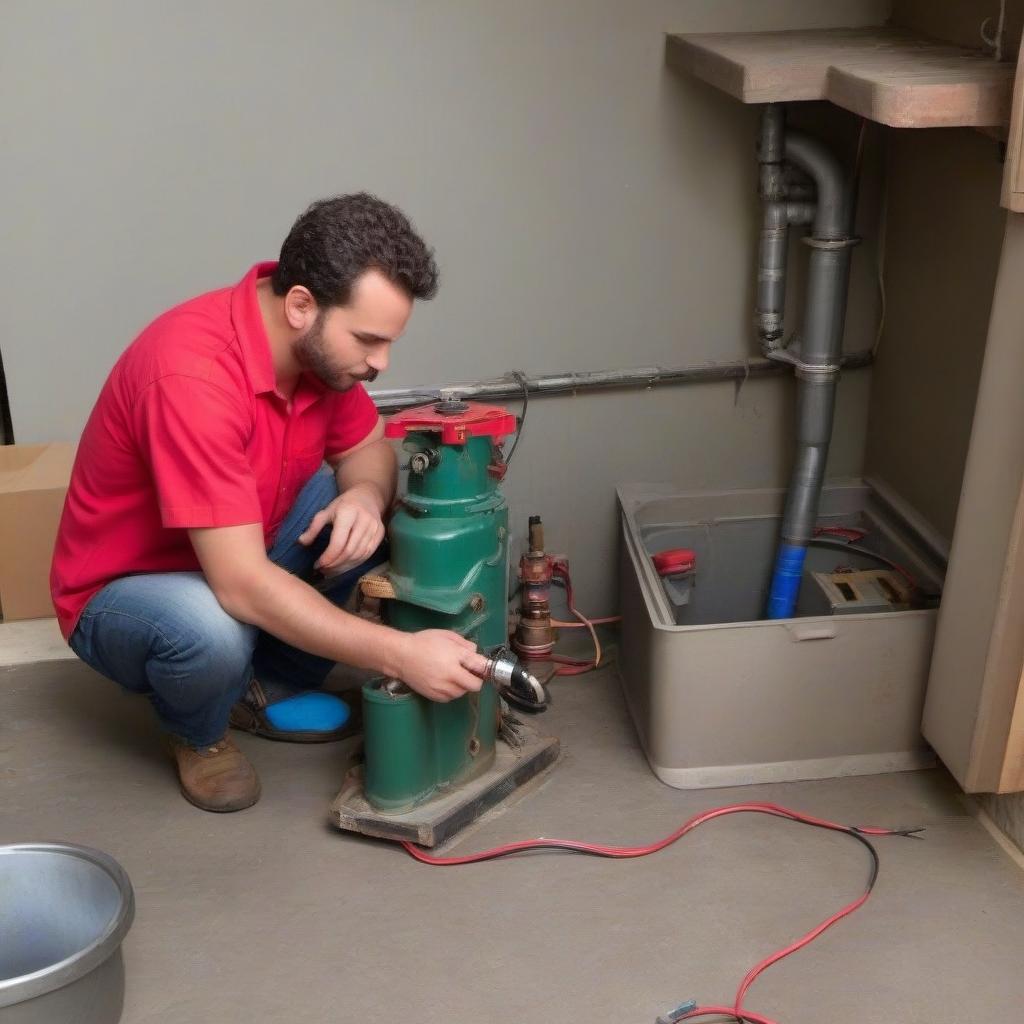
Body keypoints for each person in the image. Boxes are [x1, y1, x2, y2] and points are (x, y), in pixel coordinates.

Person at [50, 193, 488, 813]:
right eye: (367, 339)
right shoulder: (192, 377)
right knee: (211, 627)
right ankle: (197, 733)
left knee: (373, 510)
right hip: (127, 596)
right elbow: (240, 586)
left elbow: (368, 448)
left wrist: (363, 496)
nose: (381, 363)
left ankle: (257, 688)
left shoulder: (318, 355)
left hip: (235, 553)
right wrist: (402, 654)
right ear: (302, 305)